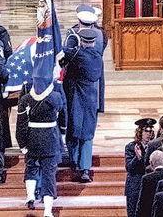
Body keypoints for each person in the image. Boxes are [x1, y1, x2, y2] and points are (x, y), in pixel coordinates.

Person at [16, 75, 64, 217]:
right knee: (49, 174)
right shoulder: (56, 97)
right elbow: (63, 114)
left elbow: (21, 124)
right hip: (51, 138)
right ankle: (47, 210)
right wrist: (63, 131)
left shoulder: (25, 99)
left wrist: (22, 142)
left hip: (32, 138)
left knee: (31, 167)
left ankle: (30, 197)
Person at [63, 28, 103, 183]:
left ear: (82, 41)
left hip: (76, 98)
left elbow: (62, 53)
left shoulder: (77, 54)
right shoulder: (98, 57)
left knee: (74, 130)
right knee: (87, 133)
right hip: (91, 99)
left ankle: (74, 162)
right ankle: (85, 167)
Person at [125, 118, 156, 217]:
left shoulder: (154, 147)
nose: (148, 134)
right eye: (146, 131)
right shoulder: (131, 147)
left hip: (149, 186)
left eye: (150, 131)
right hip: (135, 187)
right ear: (140, 132)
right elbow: (129, 168)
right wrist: (137, 158)